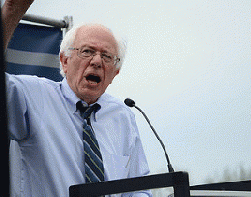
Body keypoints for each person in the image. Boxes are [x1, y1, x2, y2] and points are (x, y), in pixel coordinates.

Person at [2, 0, 152, 196]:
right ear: (64, 61)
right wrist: (12, 9)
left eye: (107, 56)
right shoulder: (31, 96)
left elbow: (138, 189)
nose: (97, 61)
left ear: (115, 73)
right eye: (87, 51)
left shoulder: (123, 116)